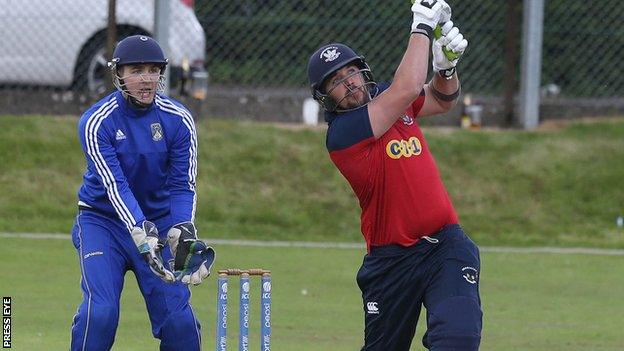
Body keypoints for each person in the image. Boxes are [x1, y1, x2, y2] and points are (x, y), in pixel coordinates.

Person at [306, 1, 481, 350]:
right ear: (326, 97)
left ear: (363, 72)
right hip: (391, 261)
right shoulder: (343, 133)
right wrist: (422, 25)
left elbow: (441, 100)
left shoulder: (389, 95)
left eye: (351, 72)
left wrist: (446, 69)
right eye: (336, 82)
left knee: (458, 339)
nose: (349, 84)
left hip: (445, 246)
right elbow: (407, 87)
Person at [70, 35, 215, 351]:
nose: (147, 79)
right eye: (136, 70)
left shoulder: (178, 119)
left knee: (180, 323)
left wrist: (182, 230)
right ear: (118, 74)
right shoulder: (96, 121)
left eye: (153, 70)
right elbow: (114, 185)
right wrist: (138, 227)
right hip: (103, 222)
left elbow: (182, 185)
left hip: (159, 223)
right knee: (101, 313)